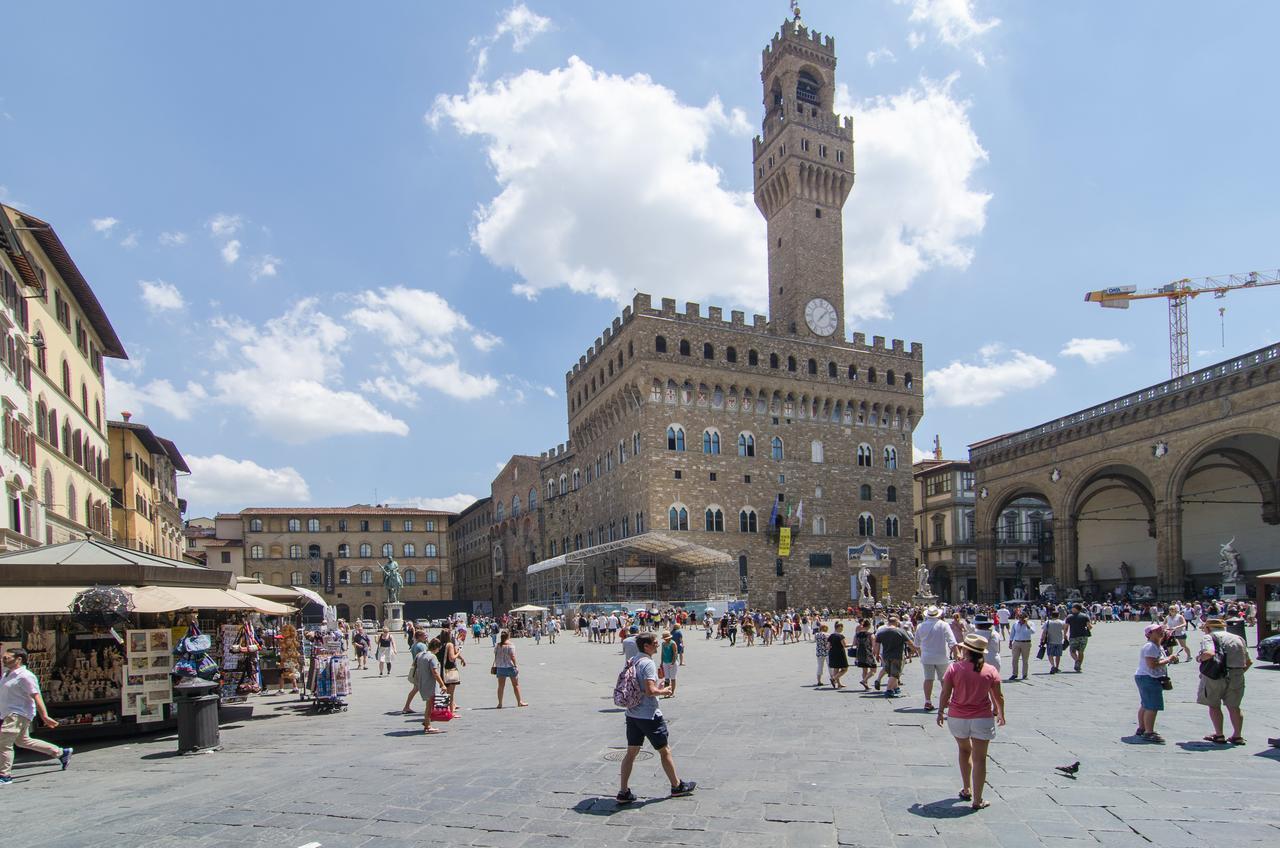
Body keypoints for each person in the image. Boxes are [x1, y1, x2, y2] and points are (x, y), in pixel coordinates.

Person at [616, 633, 696, 804]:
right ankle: (676, 786)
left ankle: (623, 792)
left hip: (632, 714)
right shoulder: (648, 663)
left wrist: (653, 688)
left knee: (631, 753)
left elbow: (639, 686)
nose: (657, 646)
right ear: (646, 646)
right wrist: (664, 691)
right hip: (649, 715)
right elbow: (650, 691)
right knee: (664, 750)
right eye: (654, 643)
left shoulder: (633, 660)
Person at [936, 634, 1005, 811]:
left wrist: (940, 711)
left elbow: (945, 693)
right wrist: (1001, 713)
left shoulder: (954, 668)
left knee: (964, 750)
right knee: (980, 759)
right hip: (982, 717)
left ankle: (966, 789)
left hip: (958, 717)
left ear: (966, 650)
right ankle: (978, 799)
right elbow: (998, 696)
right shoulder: (990, 670)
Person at [1, 648, 72, 784]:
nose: (3, 659)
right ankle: (61, 753)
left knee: (3, 744)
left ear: (19, 659)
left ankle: (4, 775)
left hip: (17, 714)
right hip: (8, 713)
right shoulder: (7, 674)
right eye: (3, 657)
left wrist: (44, 716)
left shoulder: (25, 676)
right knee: (23, 741)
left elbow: (36, 696)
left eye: (7, 657)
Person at [1195, 618, 1251, 745]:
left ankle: (1219, 735)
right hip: (1237, 674)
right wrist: (1238, 673)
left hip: (1215, 675)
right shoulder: (1238, 638)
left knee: (1214, 705)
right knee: (1234, 707)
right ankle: (1237, 736)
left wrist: (1199, 658)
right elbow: (1248, 661)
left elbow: (1209, 653)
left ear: (1208, 628)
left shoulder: (1209, 637)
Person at [1135, 623, 1178, 743]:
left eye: (1161, 630)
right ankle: (1149, 732)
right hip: (1149, 677)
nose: (1161, 631)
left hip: (1147, 676)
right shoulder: (1150, 647)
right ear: (1149, 634)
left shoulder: (1157, 646)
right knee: (1152, 706)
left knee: (1146, 704)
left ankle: (1142, 728)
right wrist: (1168, 659)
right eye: (1157, 630)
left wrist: (1169, 659)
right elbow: (1152, 664)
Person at [915, 606, 958, 711]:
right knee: (944, 680)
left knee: (928, 679)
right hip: (941, 656)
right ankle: (946, 700)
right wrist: (957, 655)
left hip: (927, 657)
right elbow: (952, 642)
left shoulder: (920, 626)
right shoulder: (943, 625)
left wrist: (921, 655)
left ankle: (927, 701)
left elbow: (916, 644)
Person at [874, 616, 917, 698]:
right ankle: (889, 690)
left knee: (890, 672)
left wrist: (876, 654)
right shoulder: (900, 631)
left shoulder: (881, 632)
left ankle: (895, 688)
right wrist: (914, 650)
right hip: (897, 655)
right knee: (895, 673)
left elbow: (877, 644)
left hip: (886, 655)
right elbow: (910, 643)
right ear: (896, 622)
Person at [414, 637, 448, 734]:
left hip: (422, 682)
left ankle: (426, 722)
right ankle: (428, 726)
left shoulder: (421, 655)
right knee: (430, 705)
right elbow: (435, 672)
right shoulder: (432, 657)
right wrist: (443, 685)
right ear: (436, 647)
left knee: (428, 704)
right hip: (430, 683)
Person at [493, 631, 528, 708]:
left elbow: (495, 654)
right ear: (508, 636)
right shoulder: (511, 645)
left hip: (500, 667)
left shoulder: (497, 645)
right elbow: (512, 656)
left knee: (501, 686)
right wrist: (516, 665)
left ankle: (500, 703)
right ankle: (519, 702)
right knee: (515, 685)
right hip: (510, 667)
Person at [402, 628, 430, 713]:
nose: (426, 636)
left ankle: (407, 706)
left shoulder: (414, 645)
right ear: (420, 637)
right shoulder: (422, 645)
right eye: (424, 635)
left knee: (416, 688)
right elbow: (427, 656)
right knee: (429, 688)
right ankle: (431, 708)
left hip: (416, 668)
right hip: (422, 669)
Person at [437, 631, 466, 713]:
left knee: (445, 692)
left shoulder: (440, 645)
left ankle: (443, 711)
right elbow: (452, 658)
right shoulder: (449, 645)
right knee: (451, 694)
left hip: (443, 670)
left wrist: (461, 658)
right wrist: (459, 653)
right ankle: (451, 712)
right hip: (450, 670)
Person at [1007, 610, 1035, 681]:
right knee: (1014, 659)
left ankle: (1024, 674)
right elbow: (1012, 633)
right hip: (1016, 642)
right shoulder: (1015, 624)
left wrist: (1027, 624)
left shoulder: (1030, 623)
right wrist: (1010, 642)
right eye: (1019, 617)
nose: (1020, 619)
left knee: (1025, 660)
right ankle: (1014, 674)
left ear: (1026, 618)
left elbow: (1032, 632)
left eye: (1022, 617)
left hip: (1026, 643)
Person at [1064, 603, 1092, 672]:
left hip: (1073, 636)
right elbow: (1090, 626)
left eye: (1072, 608)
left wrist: (1064, 634)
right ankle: (1078, 666)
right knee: (1081, 651)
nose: (1071, 609)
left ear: (1075, 608)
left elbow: (1066, 627)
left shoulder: (1069, 617)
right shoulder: (1085, 616)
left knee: (1072, 651)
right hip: (1084, 636)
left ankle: (1077, 661)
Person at [1040, 608, 1066, 674]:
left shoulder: (1048, 622)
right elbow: (1065, 629)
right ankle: (1057, 667)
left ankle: (1052, 665)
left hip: (1050, 640)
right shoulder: (1062, 622)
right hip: (1059, 641)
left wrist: (1041, 639)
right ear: (1058, 615)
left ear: (1051, 616)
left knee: (1050, 654)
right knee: (1058, 655)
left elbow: (1044, 632)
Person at [854, 618, 877, 690]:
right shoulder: (870, 634)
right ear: (869, 626)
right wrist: (876, 653)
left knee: (864, 670)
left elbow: (854, 643)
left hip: (860, 652)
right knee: (873, 670)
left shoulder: (857, 634)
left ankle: (866, 685)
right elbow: (874, 645)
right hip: (868, 652)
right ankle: (864, 681)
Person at [827, 621, 850, 688]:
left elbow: (828, 646)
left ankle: (838, 684)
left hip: (832, 653)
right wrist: (852, 645)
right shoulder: (840, 636)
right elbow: (844, 645)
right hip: (840, 653)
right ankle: (833, 679)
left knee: (836, 668)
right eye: (842, 627)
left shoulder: (831, 635)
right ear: (839, 627)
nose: (842, 629)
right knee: (845, 669)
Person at [660, 632, 679, 697]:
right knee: (666, 678)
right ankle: (666, 692)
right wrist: (661, 662)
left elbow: (675, 653)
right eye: (664, 638)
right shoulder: (663, 643)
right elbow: (662, 653)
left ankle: (672, 692)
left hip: (672, 662)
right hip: (665, 662)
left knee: (673, 678)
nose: (665, 639)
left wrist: (673, 663)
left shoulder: (673, 643)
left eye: (666, 638)